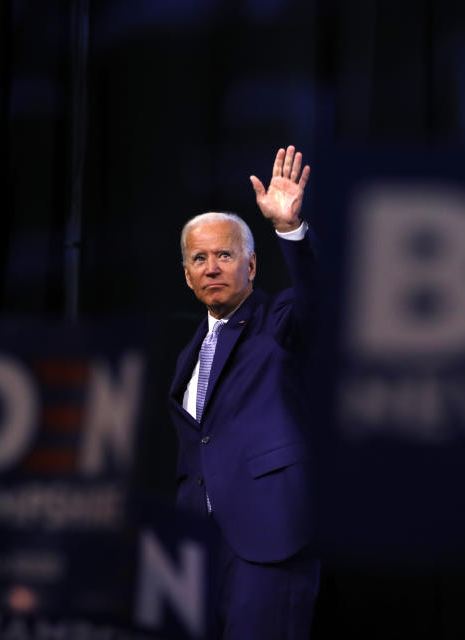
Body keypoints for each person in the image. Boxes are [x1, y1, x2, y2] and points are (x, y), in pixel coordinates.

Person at [167, 145, 318, 639]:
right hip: (196, 553)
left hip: (268, 539)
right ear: (188, 277)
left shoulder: (277, 322)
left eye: (225, 255)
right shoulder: (189, 354)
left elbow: (320, 298)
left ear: (251, 266)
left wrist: (288, 230)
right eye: (200, 259)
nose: (212, 267)